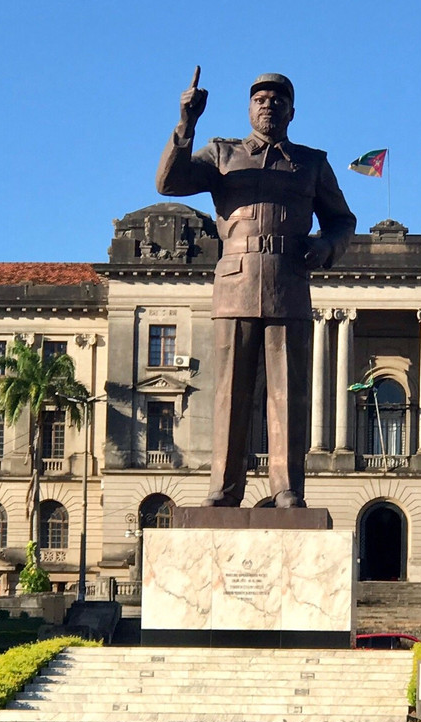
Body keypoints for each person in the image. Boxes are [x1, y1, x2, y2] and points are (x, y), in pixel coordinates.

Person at [155, 68, 356, 508]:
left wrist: (326, 246)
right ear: (249, 108)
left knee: (288, 393)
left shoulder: (311, 163)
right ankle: (225, 489)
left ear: (291, 111)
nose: (268, 104)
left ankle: (285, 488)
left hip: (288, 279)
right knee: (231, 392)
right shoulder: (222, 154)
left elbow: (343, 219)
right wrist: (186, 123)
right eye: (260, 98)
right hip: (235, 281)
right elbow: (169, 182)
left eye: (277, 99)